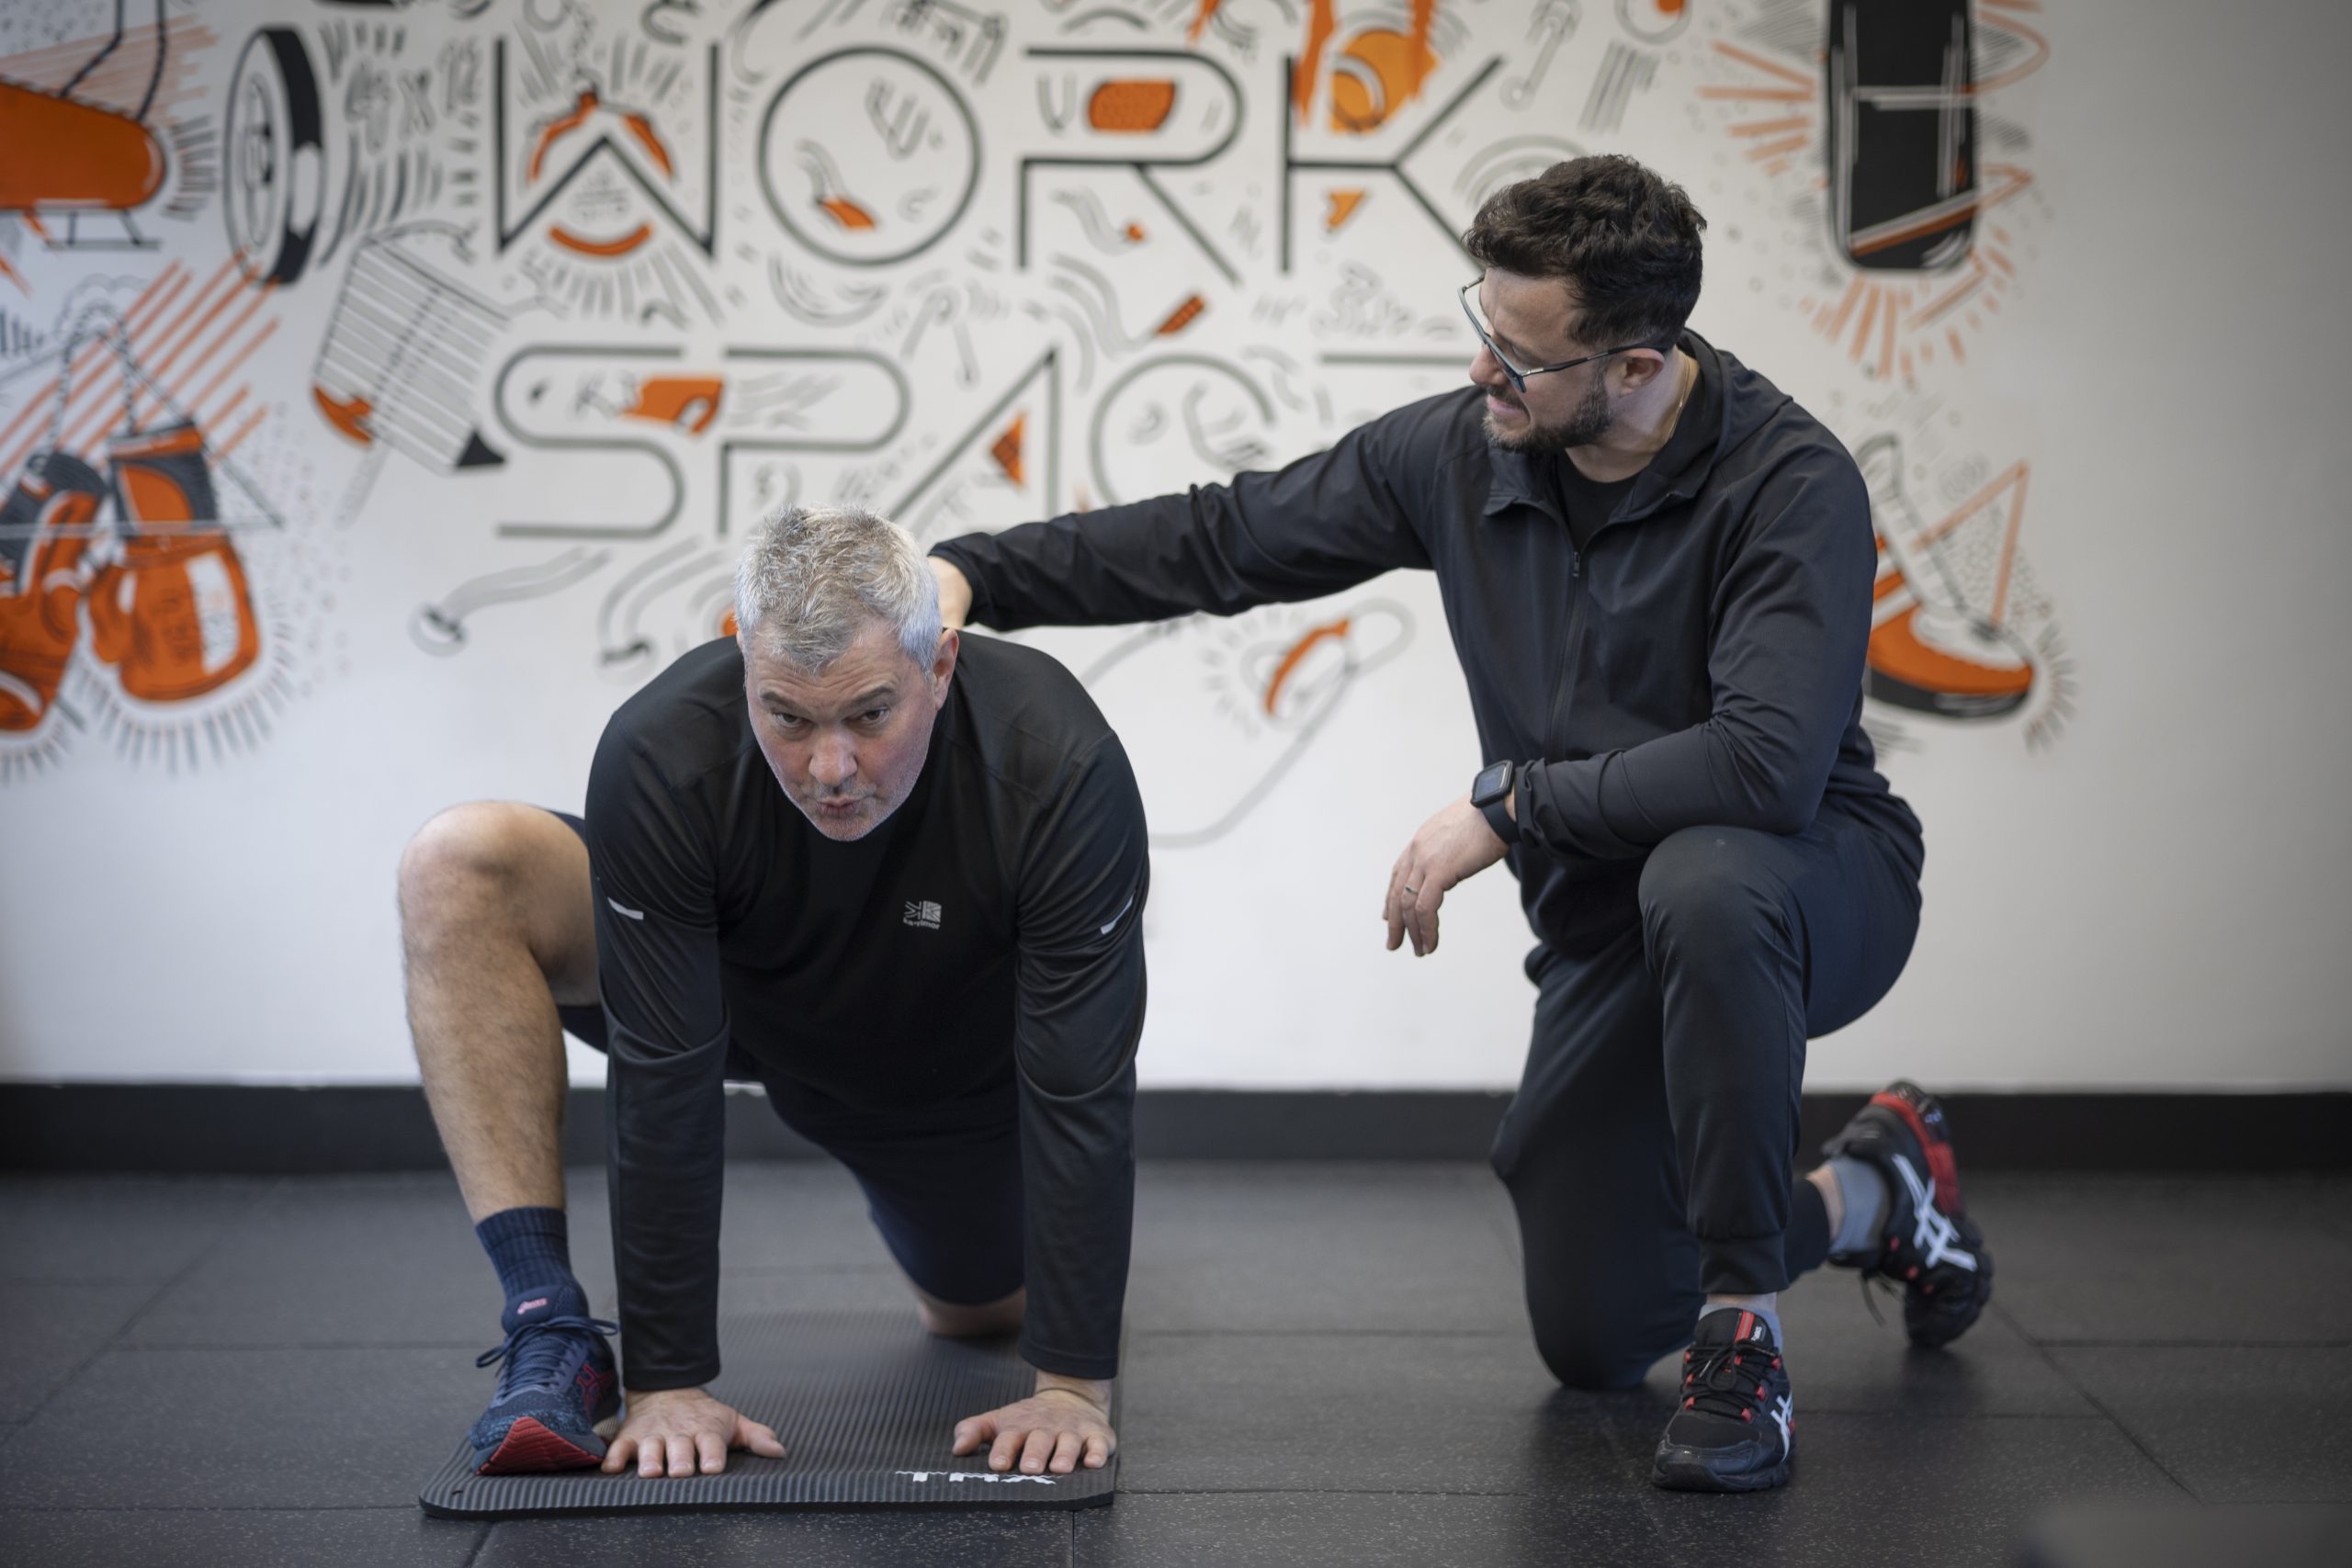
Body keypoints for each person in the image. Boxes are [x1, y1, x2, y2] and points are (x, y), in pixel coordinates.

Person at [926, 154, 1991, 1494]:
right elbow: (1221, 537)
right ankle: (1886, 1189)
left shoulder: (1792, 484)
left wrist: (1510, 803)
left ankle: (1744, 1339)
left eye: (1525, 357)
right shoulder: (1462, 449)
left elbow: (1766, 768)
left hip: (1812, 879)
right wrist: (974, 568)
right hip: (1618, 911)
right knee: (1597, 1332)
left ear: (1642, 366)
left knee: (1710, 877)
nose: (1487, 371)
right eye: (1482, 329)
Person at [399, 505, 1148, 1481]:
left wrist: (1071, 1383)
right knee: (458, 865)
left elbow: (1079, 1081)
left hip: (942, 1082)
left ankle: (995, 1279)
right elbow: (663, 1071)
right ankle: (551, 1327)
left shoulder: (1057, 762)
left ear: (941, 666)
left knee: (974, 1314)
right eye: (787, 717)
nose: (829, 769)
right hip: (730, 996)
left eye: (870, 715)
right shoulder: (663, 749)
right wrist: (662, 1382)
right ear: (738, 653)